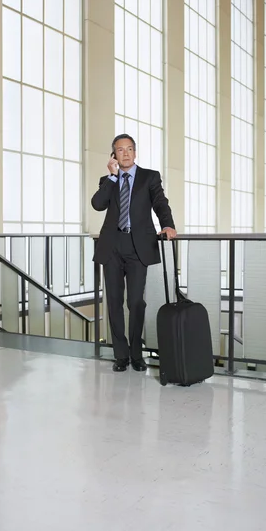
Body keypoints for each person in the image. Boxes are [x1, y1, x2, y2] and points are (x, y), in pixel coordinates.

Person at [91, 134, 177, 372]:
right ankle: (121, 355)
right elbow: (98, 204)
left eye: (129, 149)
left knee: (136, 302)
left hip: (138, 246)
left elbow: (160, 202)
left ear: (135, 153)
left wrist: (167, 224)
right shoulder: (108, 180)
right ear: (114, 155)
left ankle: (136, 354)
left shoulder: (149, 177)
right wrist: (111, 176)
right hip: (112, 246)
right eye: (120, 150)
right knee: (114, 302)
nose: (125, 153)